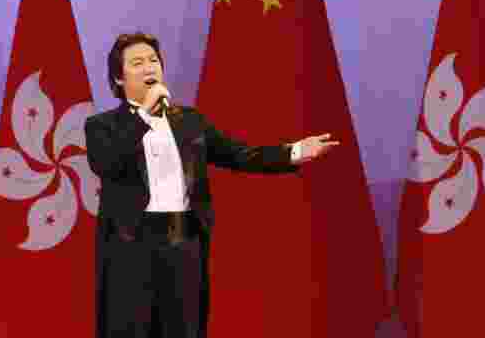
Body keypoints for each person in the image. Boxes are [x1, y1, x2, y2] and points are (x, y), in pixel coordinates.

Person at [84, 32, 338, 338]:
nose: (149, 67)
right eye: (137, 63)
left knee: (185, 328)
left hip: (184, 241)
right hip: (132, 246)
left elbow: (239, 155)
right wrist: (143, 117)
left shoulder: (189, 121)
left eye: (153, 60)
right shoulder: (102, 126)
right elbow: (107, 164)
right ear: (119, 79)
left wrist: (295, 151)